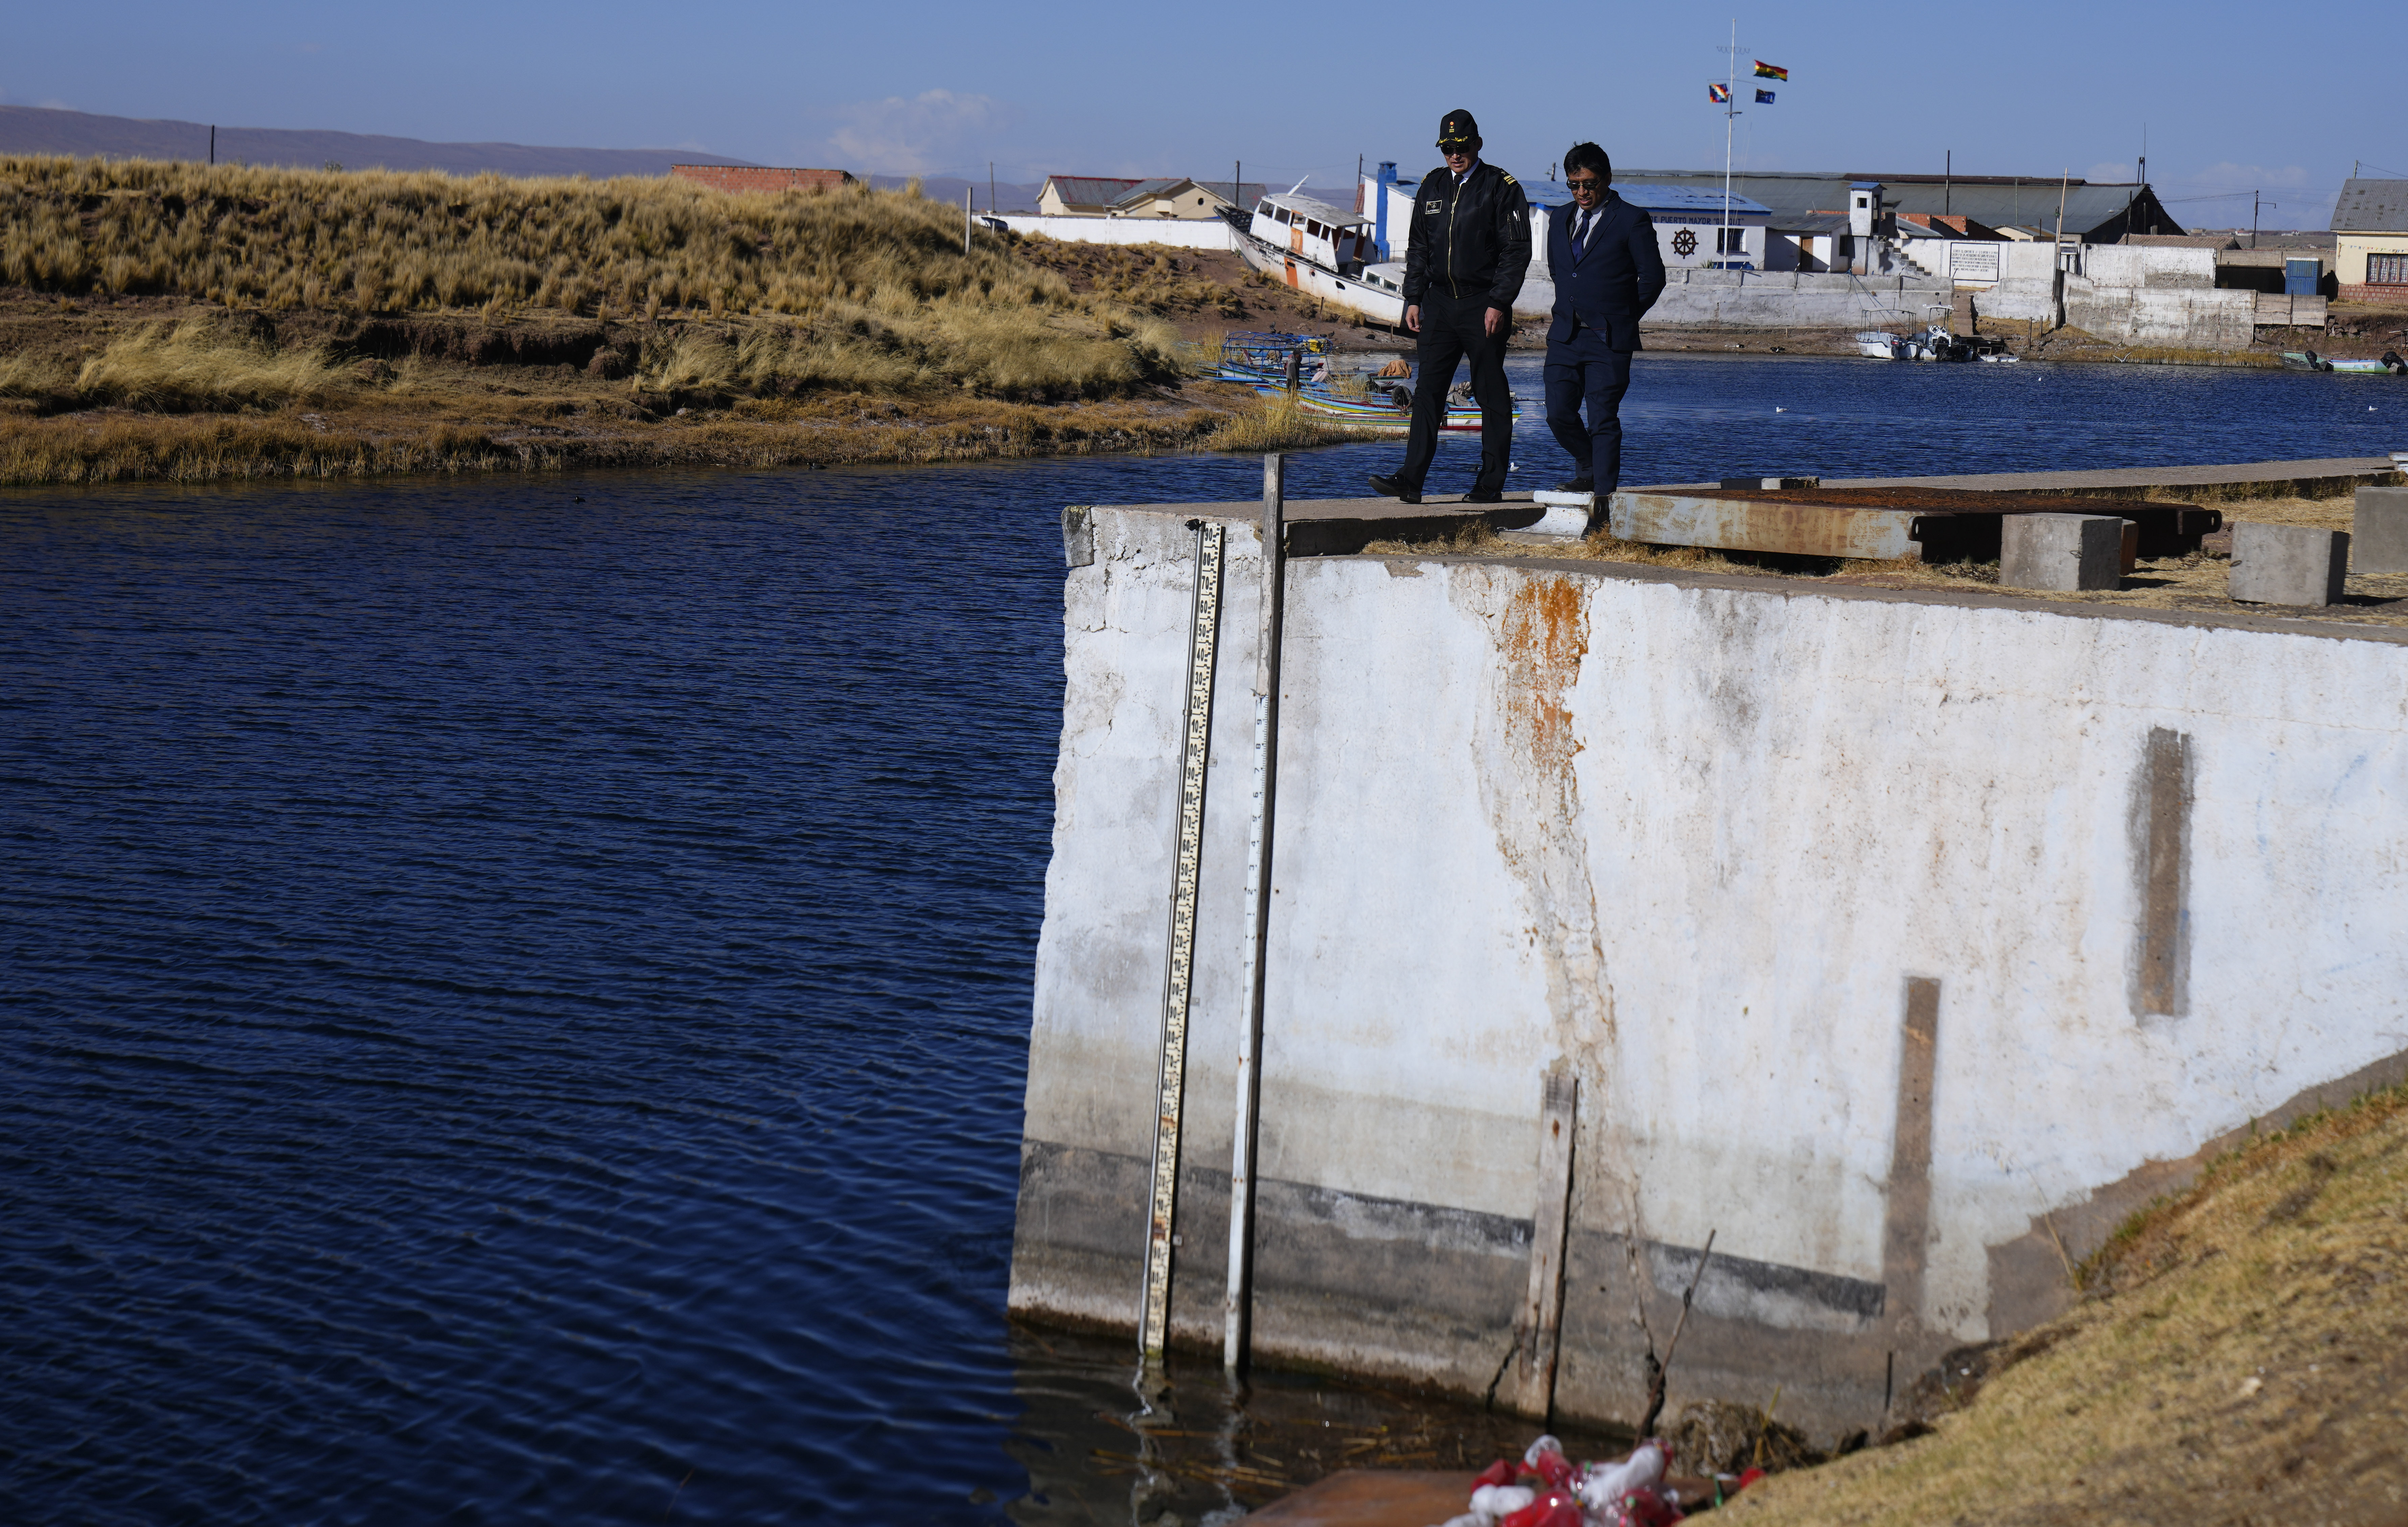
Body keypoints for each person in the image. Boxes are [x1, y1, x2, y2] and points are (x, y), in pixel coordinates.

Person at [1368, 109, 1530, 506]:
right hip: (1439, 305)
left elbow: (1516, 251)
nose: (1455, 155)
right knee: (1428, 393)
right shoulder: (1432, 185)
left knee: (1491, 395)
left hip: (1483, 306)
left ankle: (1490, 485)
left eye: (1461, 147)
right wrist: (1413, 297)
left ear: (1477, 144)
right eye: (1447, 149)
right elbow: (1419, 247)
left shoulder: (1501, 187)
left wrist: (1499, 303)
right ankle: (1411, 480)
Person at [1542, 141, 1666, 521]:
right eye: (1574, 185)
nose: (1582, 192)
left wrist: (1623, 317)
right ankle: (1588, 466)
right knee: (1558, 414)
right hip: (1565, 335)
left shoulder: (1631, 219)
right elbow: (1560, 271)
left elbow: (1654, 278)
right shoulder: (1559, 218)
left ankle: (1603, 500)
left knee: (1602, 419)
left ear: (1607, 180)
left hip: (1608, 340)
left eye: (1589, 184)